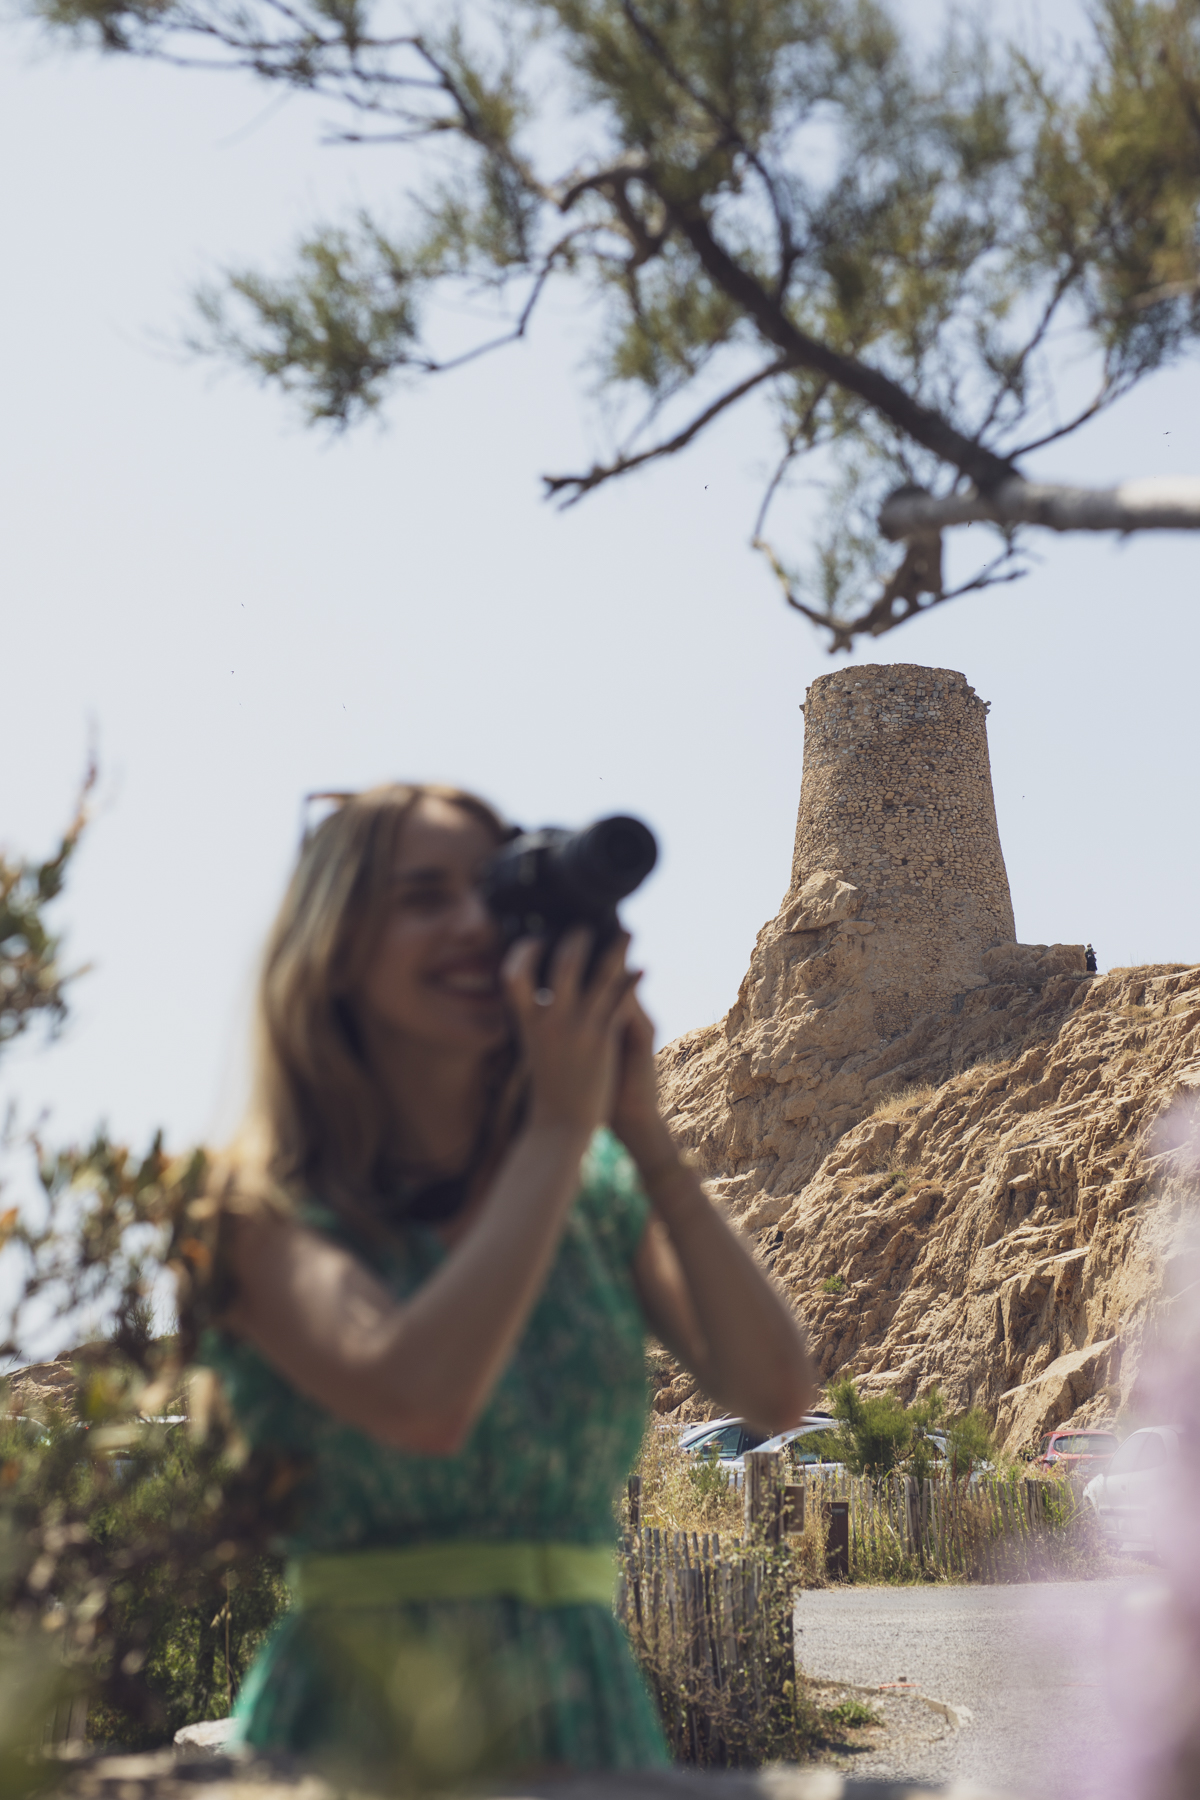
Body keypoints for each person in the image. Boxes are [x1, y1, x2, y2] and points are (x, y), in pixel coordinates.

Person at [198, 783, 813, 1786]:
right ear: (334, 943)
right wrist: (559, 1132)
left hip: (584, 1716)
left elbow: (774, 1394)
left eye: (491, 892)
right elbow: (418, 1399)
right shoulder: (258, 1210)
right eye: (424, 897)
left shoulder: (590, 1192)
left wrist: (644, 1139)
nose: (474, 925)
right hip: (353, 1727)